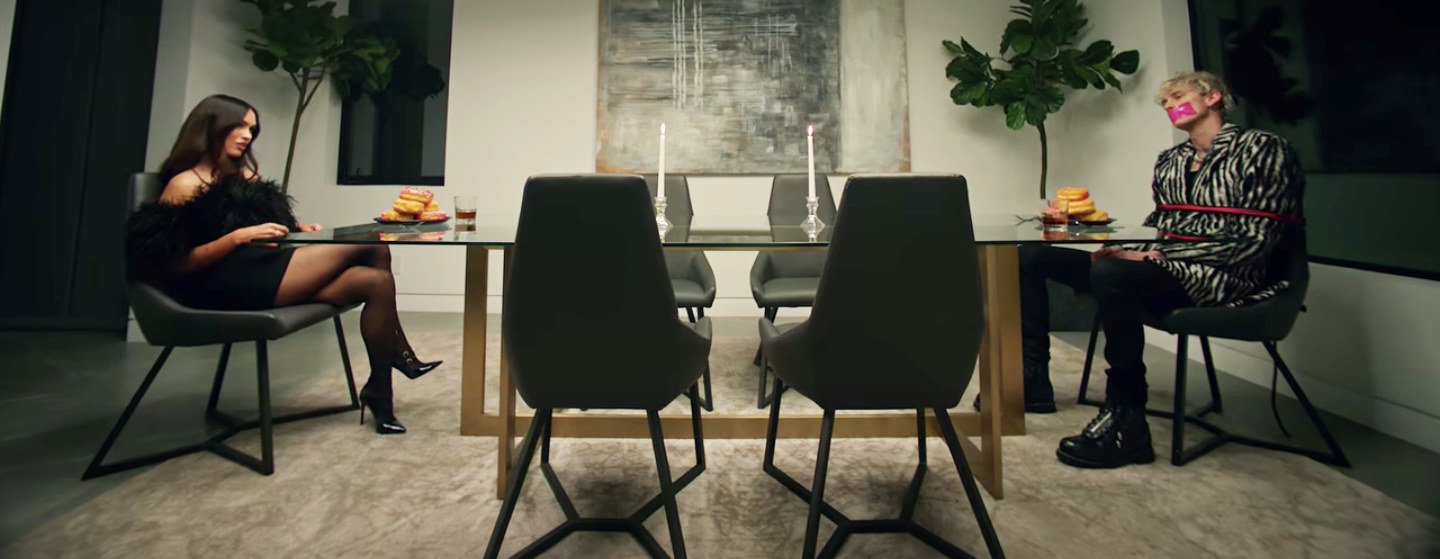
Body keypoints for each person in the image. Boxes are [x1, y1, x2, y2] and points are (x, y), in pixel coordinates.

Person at [1020, 72, 1305, 468]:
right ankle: (1032, 378)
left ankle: (1127, 418)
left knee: (1113, 275)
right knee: (1032, 256)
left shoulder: (1262, 149)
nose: (1170, 105)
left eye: (1177, 96)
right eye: (1165, 102)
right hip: (1164, 270)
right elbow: (1160, 225)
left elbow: (1257, 240)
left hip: (1226, 278)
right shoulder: (1171, 162)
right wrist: (1127, 249)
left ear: (1213, 97)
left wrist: (1157, 259)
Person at [125, 94, 441, 435]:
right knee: (370, 245)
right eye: (239, 126)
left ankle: (381, 391)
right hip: (218, 285)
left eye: (252, 128)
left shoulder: (243, 178)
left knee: (373, 281)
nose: (247, 134)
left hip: (259, 269)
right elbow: (174, 264)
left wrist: (295, 229)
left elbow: (265, 230)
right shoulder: (184, 184)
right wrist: (234, 239)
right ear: (211, 127)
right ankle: (400, 354)